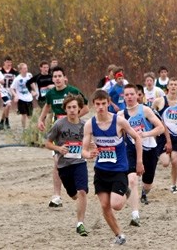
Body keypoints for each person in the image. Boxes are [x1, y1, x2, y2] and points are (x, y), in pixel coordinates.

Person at [81, 89, 143, 246]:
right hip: (101, 170)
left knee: (116, 205)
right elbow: (83, 150)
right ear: (93, 105)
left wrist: (139, 162)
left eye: (103, 103)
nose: (101, 107)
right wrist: (88, 154)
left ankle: (127, 191)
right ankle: (119, 235)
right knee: (104, 205)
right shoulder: (90, 124)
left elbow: (137, 138)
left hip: (118, 170)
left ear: (108, 103)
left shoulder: (119, 121)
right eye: (98, 104)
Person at [37, 66, 89, 209]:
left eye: (60, 76)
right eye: (55, 77)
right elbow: (47, 106)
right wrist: (41, 119)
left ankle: (77, 188)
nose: (57, 79)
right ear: (52, 79)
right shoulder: (51, 93)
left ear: (65, 78)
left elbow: (86, 107)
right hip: (58, 132)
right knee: (57, 161)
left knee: (74, 159)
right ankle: (57, 196)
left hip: (73, 131)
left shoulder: (73, 91)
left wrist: (73, 118)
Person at [44, 94, 90, 236]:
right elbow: (47, 143)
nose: (71, 110)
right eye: (69, 107)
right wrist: (58, 149)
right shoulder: (59, 124)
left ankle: (80, 224)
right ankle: (75, 200)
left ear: (79, 108)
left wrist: (90, 148)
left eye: (74, 107)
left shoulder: (85, 125)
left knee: (82, 191)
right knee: (74, 194)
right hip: (64, 166)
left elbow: (90, 143)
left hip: (79, 162)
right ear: (65, 109)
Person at [119, 84, 164, 226]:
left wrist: (145, 134)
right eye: (126, 95)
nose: (129, 97)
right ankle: (135, 214)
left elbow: (160, 128)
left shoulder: (145, 110)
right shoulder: (121, 115)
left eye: (132, 94)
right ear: (123, 97)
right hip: (131, 148)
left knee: (147, 184)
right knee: (132, 179)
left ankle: (143, 192)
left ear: (137, 95)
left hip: (149, 148)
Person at [153, 78, 177, 194]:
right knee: (165, 163)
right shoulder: (159, 101)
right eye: (171, 84)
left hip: (176, 136)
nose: (173, 87)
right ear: (167, 87)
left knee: (174, 160)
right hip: (162, 136)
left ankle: (173, 185)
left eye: (175, 85)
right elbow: (152, 118)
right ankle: (157, 153)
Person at [10, 63, 33, 129]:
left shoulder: (29, 75)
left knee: (30, 115)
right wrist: (15, 96)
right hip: (21, 99)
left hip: (29, 98)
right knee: (24, 114)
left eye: (26, 68)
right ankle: (24, 129)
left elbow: (32, 84)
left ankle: (31, 128)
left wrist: (34, 91)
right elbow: (11, 88)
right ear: (20, 70)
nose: (26, 69)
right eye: (24, 68)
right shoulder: (17, 79)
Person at [0, 56, 18, 130]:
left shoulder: (14, 71)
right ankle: (7, 121)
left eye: (10, 62)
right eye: (7, 62)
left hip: (10, 91)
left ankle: (1, 122)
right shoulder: (0, 70)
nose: (9, 63)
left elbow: (19, 79)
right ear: (4, 62)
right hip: (2, 90)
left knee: (6, 107)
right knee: (8, 104)